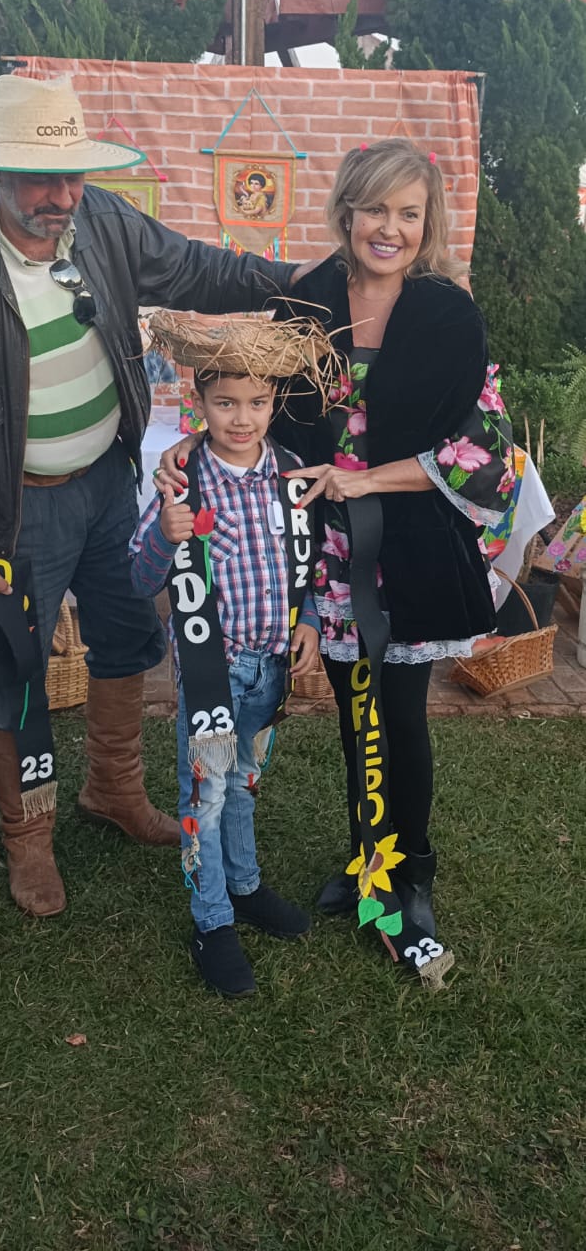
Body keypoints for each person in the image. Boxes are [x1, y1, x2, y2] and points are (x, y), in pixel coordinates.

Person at [0, 73, 303, 919]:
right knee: (18, 672)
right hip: (15, 510)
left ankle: (111, 788)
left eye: (74, 174)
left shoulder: (101, 220)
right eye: (43, 178)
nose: (63, 195)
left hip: (110, 483)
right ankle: (28, 838)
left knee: (126, 639)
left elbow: (195, 267)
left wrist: (304, 279)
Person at [158, 140, 513, 979]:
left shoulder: (446, 313)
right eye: (374, 208)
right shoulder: (304, 301)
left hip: (407, 552)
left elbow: (483, 449)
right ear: (346, 210)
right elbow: (252, 403)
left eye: (408, 213)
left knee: (400, 715)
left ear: (426, 223)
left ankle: (407, 875)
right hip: (317, 550)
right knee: (356, 716)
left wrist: (365, 479)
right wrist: (194, 450)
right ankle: (365, 856)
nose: (389, 228)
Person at [130, 317, 322, 997]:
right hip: (213, 672)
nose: (242, 418)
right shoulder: (182, 484)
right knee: (204, 797)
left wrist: (308, 621)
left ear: (274, 403)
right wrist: (164, 532)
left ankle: (244, 886)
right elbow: (140, 577)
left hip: (270, 668)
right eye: (225, 403)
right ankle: (211, 920)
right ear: (200, 403)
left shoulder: (290, 477)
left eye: (257, 402)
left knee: (243, 782)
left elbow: (307, 562)